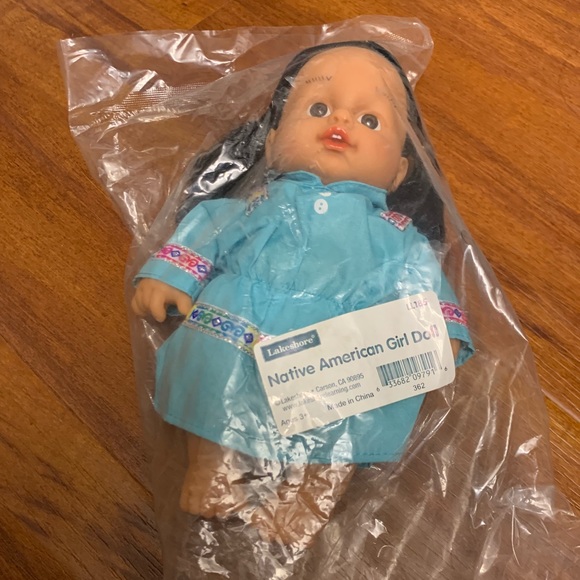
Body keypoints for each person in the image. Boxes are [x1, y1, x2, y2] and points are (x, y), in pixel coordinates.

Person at [132, 41, 474, 548]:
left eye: (371, 120)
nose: (341, 120)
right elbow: (209, 230)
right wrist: (171, 275)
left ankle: (300, 506)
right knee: (217, 392)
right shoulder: (255, 206)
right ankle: (215, 476)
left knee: (339, 428)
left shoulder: (397, 237)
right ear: (272, 145)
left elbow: (421, 280)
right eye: (317, 108)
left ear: (399, 172)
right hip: (239, 330)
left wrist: (438, 330)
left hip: (341, 354)